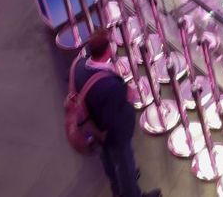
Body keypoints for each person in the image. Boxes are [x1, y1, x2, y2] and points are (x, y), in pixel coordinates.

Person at [69, 29, 161, 197]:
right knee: (125, 164)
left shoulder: (79, 66)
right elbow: (113, 118)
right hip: (114, 135)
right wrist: (127, 97)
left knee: (108, 160)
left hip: (94, 129)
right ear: (107, 50)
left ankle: (118, 188)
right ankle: (130, 191)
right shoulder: (110, 86)